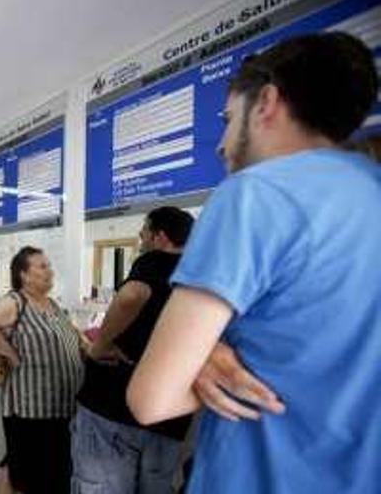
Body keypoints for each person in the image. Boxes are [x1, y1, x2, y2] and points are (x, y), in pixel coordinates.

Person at [126, 33, 380, 494]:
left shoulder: (255, 194)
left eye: (227, 119)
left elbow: (151, 399)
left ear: (266, 102)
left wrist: (194, 361)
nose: (222, 144)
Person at [72, 207, 194, 494]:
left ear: (159, 237)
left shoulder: (154, 261)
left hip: (114, 408)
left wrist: (99, 346)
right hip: (169, 418)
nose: (140, 237)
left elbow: (132, 295)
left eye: (144, 231)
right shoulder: (201, 273)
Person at [0, 246, 85, 494]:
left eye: (49, 266)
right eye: (42, 267)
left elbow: (73, 337)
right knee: (29, 480)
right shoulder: (15, 302)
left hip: (60, 411)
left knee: (52, 476)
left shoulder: (52, 305)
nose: (50, 271)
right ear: (24, 274)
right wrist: (9, 353)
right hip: (29, 411)